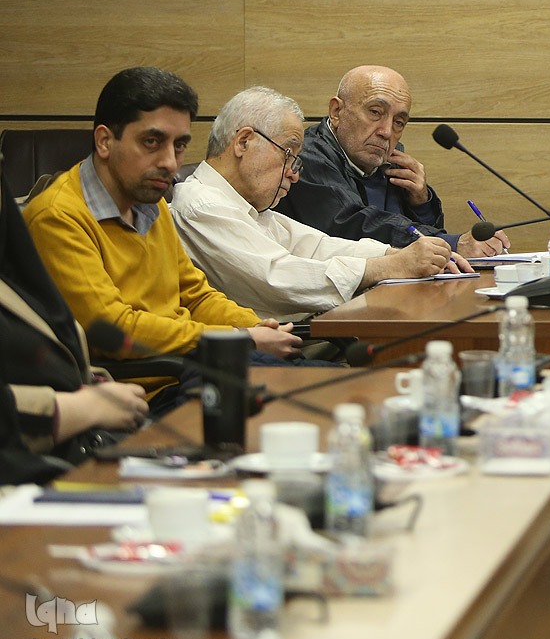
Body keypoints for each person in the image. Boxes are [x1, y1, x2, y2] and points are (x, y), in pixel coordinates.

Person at [23, 68, 312, 404]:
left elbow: (195, 296)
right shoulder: (58, 217)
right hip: (144, 394)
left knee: (330, 383)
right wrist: (239, 338)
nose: (170, 163)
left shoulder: (151, 202)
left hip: (197, 368)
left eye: (179, 145)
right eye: (152, 142)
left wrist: (260, 328)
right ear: (105, 141)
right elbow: (114, 330)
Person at [172, 87, 470, 318]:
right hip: (266, 357)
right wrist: (389, 266)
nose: (294, 173)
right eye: (288, 154)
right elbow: (278, 277)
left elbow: (318, 246)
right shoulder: (202, 205)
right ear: (243, 141)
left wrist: (397, 254)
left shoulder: (248, 207)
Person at [277, 65, 507, 257]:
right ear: (337, 111)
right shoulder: (306, 157)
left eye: (398, 122)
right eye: (375, 112)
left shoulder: (392, 165)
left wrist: (421, 203)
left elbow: (418, 243)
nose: (387, 132)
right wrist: (452, 244)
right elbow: (352, 226)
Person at [1, 172, 147, 470]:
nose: (169, 163)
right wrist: (82, 406)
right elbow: (117, 321)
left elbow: (45, 348)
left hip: (86, 438)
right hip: (32, 468)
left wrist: (93, 381)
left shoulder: (11, 263)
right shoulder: (58, 213)